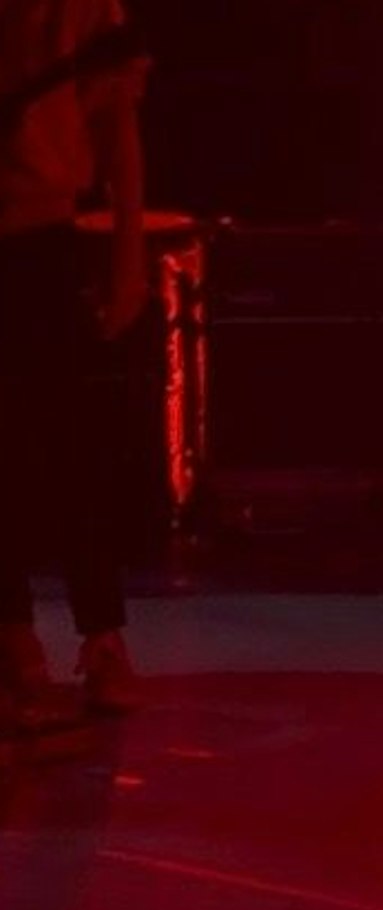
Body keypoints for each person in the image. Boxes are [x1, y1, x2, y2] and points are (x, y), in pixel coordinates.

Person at [0, 0, 148, 727]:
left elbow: (115, 115)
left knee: (72, 444)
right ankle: (16, 642)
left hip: (42, 230)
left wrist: (129, 249)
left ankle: (101, 635)